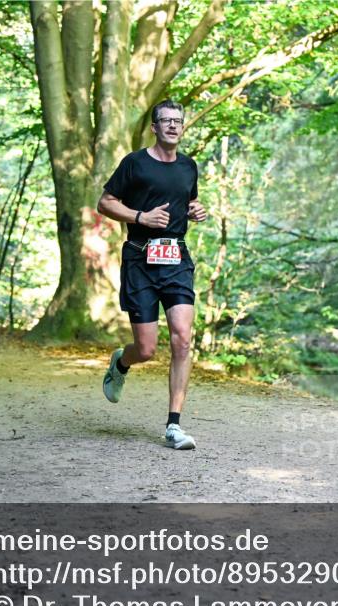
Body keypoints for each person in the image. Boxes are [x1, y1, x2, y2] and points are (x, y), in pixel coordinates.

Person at [96, 99, 207, 450]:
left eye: (178, 120)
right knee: (146, 349)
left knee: (183, 338)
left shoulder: (189, 167)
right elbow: (105, 202)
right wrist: (141, 217)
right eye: (166, 121)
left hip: (175, 257)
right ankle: (121, 361)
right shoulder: (135, 163)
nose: (173, 126)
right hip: (141, 259)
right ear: (154, 127)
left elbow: (185, 201)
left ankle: (174, 425)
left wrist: (195, 210)